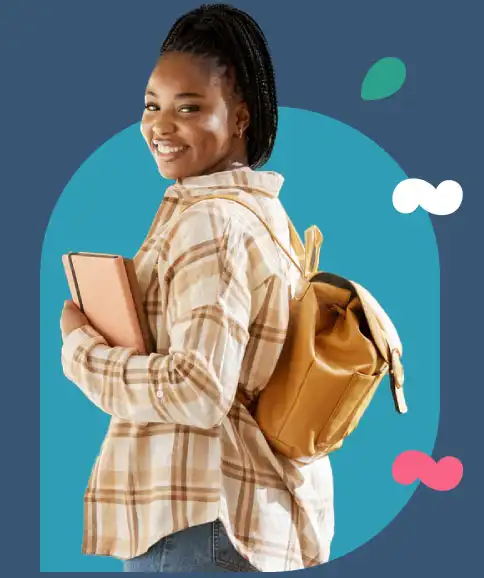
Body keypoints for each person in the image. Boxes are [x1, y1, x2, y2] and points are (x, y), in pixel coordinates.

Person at [60, 3, 334, 573]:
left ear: (239, 118)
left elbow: (198, 387)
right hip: (245, 519)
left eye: (189, 108)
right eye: (151, 106)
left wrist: (82, 351)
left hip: (195, 523)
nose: (160, 126)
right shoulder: (267, 218)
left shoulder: (210, 221)